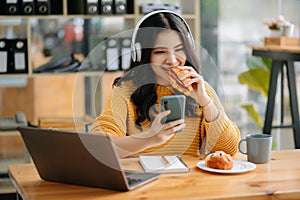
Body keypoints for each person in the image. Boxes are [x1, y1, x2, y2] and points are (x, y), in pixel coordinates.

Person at [90, 10, 240, 158]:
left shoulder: (201, 89)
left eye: (179, 50)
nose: (173, 60)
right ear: (143, 55)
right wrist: (149, 138)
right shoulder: (126, 90)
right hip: (143, 179)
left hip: (190, 180)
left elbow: (229, 149)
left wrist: (205, 102)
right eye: (160, 52)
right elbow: (99, 147)